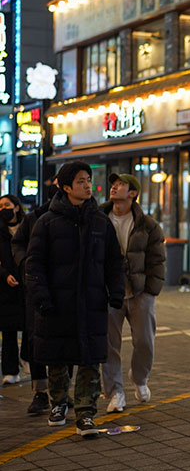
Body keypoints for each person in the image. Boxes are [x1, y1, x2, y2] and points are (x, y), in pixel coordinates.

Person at [26, 161, 125, 437]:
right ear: (67, 187)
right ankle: (58, 403)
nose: (87, 185)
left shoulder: (100, 221)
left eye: (89, 180)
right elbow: (34, 264)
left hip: (92, 303)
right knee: (58, 357)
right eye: (81, 181)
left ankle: (86, 414)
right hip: (57, 303)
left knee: (89, 359)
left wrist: (116, 292)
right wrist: (41, 297)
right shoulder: (47, 222)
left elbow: (114, 261)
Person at [100, 173, 165, 413]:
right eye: (113, 184)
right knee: (109, 344)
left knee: (145, 341)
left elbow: (157, 260)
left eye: (121, 185)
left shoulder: (148, 225)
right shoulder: (99, 219)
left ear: (133, 193)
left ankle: (139, 377)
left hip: (139, 292)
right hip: (108, 292)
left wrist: (150, 291)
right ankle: (115, 392)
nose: (114, 187)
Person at [12, 182, 61, 415]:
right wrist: (25, 265)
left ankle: (61, 392)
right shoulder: (36, 217)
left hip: (66, 289)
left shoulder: (82, 217)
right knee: (36, 340)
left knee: (64, 339)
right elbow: (18, 243)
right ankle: (41, 392)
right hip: (37, 287)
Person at [0, 195, 25, 386]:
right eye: (0, 206)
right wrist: (5, 274)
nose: (3, 209)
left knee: (29, 326)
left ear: (16, 207)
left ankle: (27, 358)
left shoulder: (27, 226)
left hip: (26, 283)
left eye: (6, 205)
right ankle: (10, 370)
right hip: (5, 286)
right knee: (8, 329)